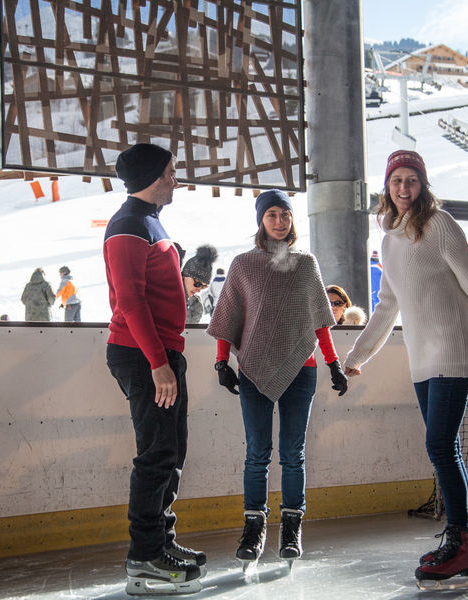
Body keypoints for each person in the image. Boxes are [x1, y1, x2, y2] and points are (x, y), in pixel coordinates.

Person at [342, 150, 468, 586]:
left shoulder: (439, 225)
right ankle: (466, 541)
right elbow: (387, 306)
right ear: (387, 187)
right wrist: (357, 356)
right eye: (396, 181)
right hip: (422, 360)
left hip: (453, 353)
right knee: (446, 448)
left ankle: (460, 539)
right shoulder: (389, 237)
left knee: (440, 447)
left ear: (423, 184)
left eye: (412, 180)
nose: (404, 188)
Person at [207, 189, 348, 568]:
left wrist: (333, 363)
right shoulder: (243, 265)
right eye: (271, 214)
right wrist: (222, 363)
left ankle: (291, 527)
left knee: (292, 455)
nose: (279, 221)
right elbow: (228, 319)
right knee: (257, 455)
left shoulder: (306, 264)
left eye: (285, 214)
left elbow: (319, 320)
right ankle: (253, 529)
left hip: (302, 371)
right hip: (252, 370)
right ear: (260, 221)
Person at [104, 142, 204, 595]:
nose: (175, 180)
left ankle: (162, 541)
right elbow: (130, 302)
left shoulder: (148, 220)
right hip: (144, 355)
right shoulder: (127, 226)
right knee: (156, 454)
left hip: (162, 353)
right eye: (169, 173)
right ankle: (144, 558)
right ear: (151, 176)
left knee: (172, 452)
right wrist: (158, 364)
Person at [181, 245, 218, 324]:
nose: (199, 290)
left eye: (203, 286)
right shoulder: (167, 294)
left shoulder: (194, 302)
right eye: (197, 284)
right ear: (185, 276)